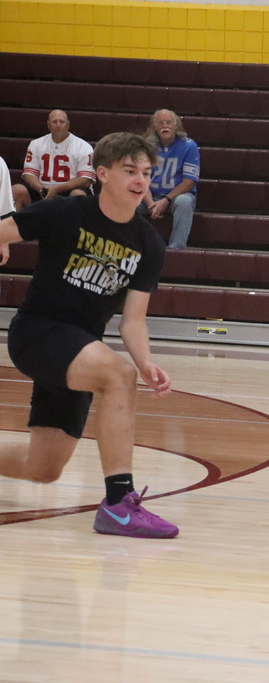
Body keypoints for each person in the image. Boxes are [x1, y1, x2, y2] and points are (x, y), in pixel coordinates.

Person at [0, 131, 178, 539]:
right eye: (130, 170)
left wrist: (146, 361)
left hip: (80, 348)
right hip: (38, 333)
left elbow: (132, 320)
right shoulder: (66, 213)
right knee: (118, 377)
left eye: (147, 173)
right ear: (102, 173)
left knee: (43, 469)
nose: (140, 180)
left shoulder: (148, 244)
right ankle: (118, 504)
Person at [12, 109, 96, 212]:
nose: (58, 125)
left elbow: (85, 179)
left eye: (61, 122)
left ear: (68, 124)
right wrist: (40, 188)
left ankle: (76, 228)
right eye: (54, 121)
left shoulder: (83, 147)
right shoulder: (36, 144)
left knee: (78, 195)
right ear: (48, 124)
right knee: (17, 190)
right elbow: (29, 174)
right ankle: (15, 226)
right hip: (42, 190)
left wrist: (57, 189)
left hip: (69, 190)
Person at [141, 109, 200, 249]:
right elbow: (140, 178)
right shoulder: (146, 147)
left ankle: (176, 247)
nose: (164, 126)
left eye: (168, 123)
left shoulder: (189, 146)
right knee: (126, 201)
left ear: (176, 125)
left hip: (175, 196)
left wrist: (166, 200)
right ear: (155, 127)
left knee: (184, 202)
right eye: (160, 123)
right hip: (150, 195)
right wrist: (150, 203)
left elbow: (189, 182)